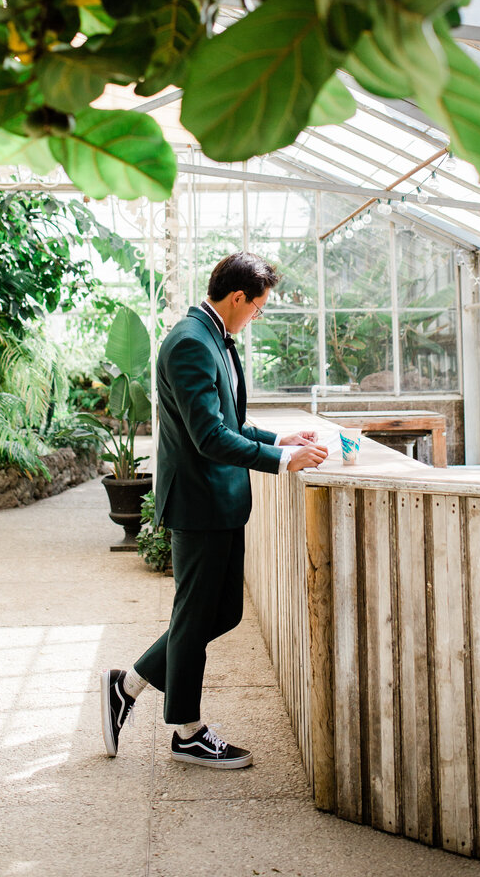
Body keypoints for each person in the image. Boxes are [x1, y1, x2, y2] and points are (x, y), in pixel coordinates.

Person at [101, 252, 328, 769]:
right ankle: (186, 730)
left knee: (220, 613)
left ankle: (128, 685)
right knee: (196, 614)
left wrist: (278, 438)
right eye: (258, 308)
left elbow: (227, 422)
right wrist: (282, 459)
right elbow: (208, 439)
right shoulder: (189, 343)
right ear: (237, 298)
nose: (256, 318)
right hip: (200, 503)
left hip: (219, 501)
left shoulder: (210, 338)